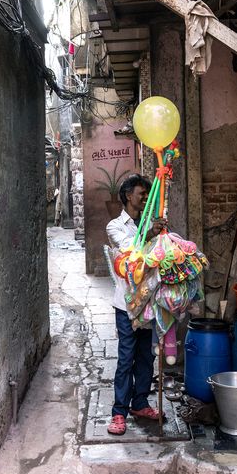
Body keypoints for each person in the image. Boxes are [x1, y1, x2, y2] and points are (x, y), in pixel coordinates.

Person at [105, 174, 167, 436]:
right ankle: (119, 412)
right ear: (128, 195)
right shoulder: (115, 226)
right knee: (125, 358)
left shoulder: (150, 224)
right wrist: (150, 233)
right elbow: (132, 251)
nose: (144, 198)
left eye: (146, 194)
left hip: (149, 304)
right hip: (127, 305)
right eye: (141, 194)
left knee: (146, 357)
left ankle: (140, 403)